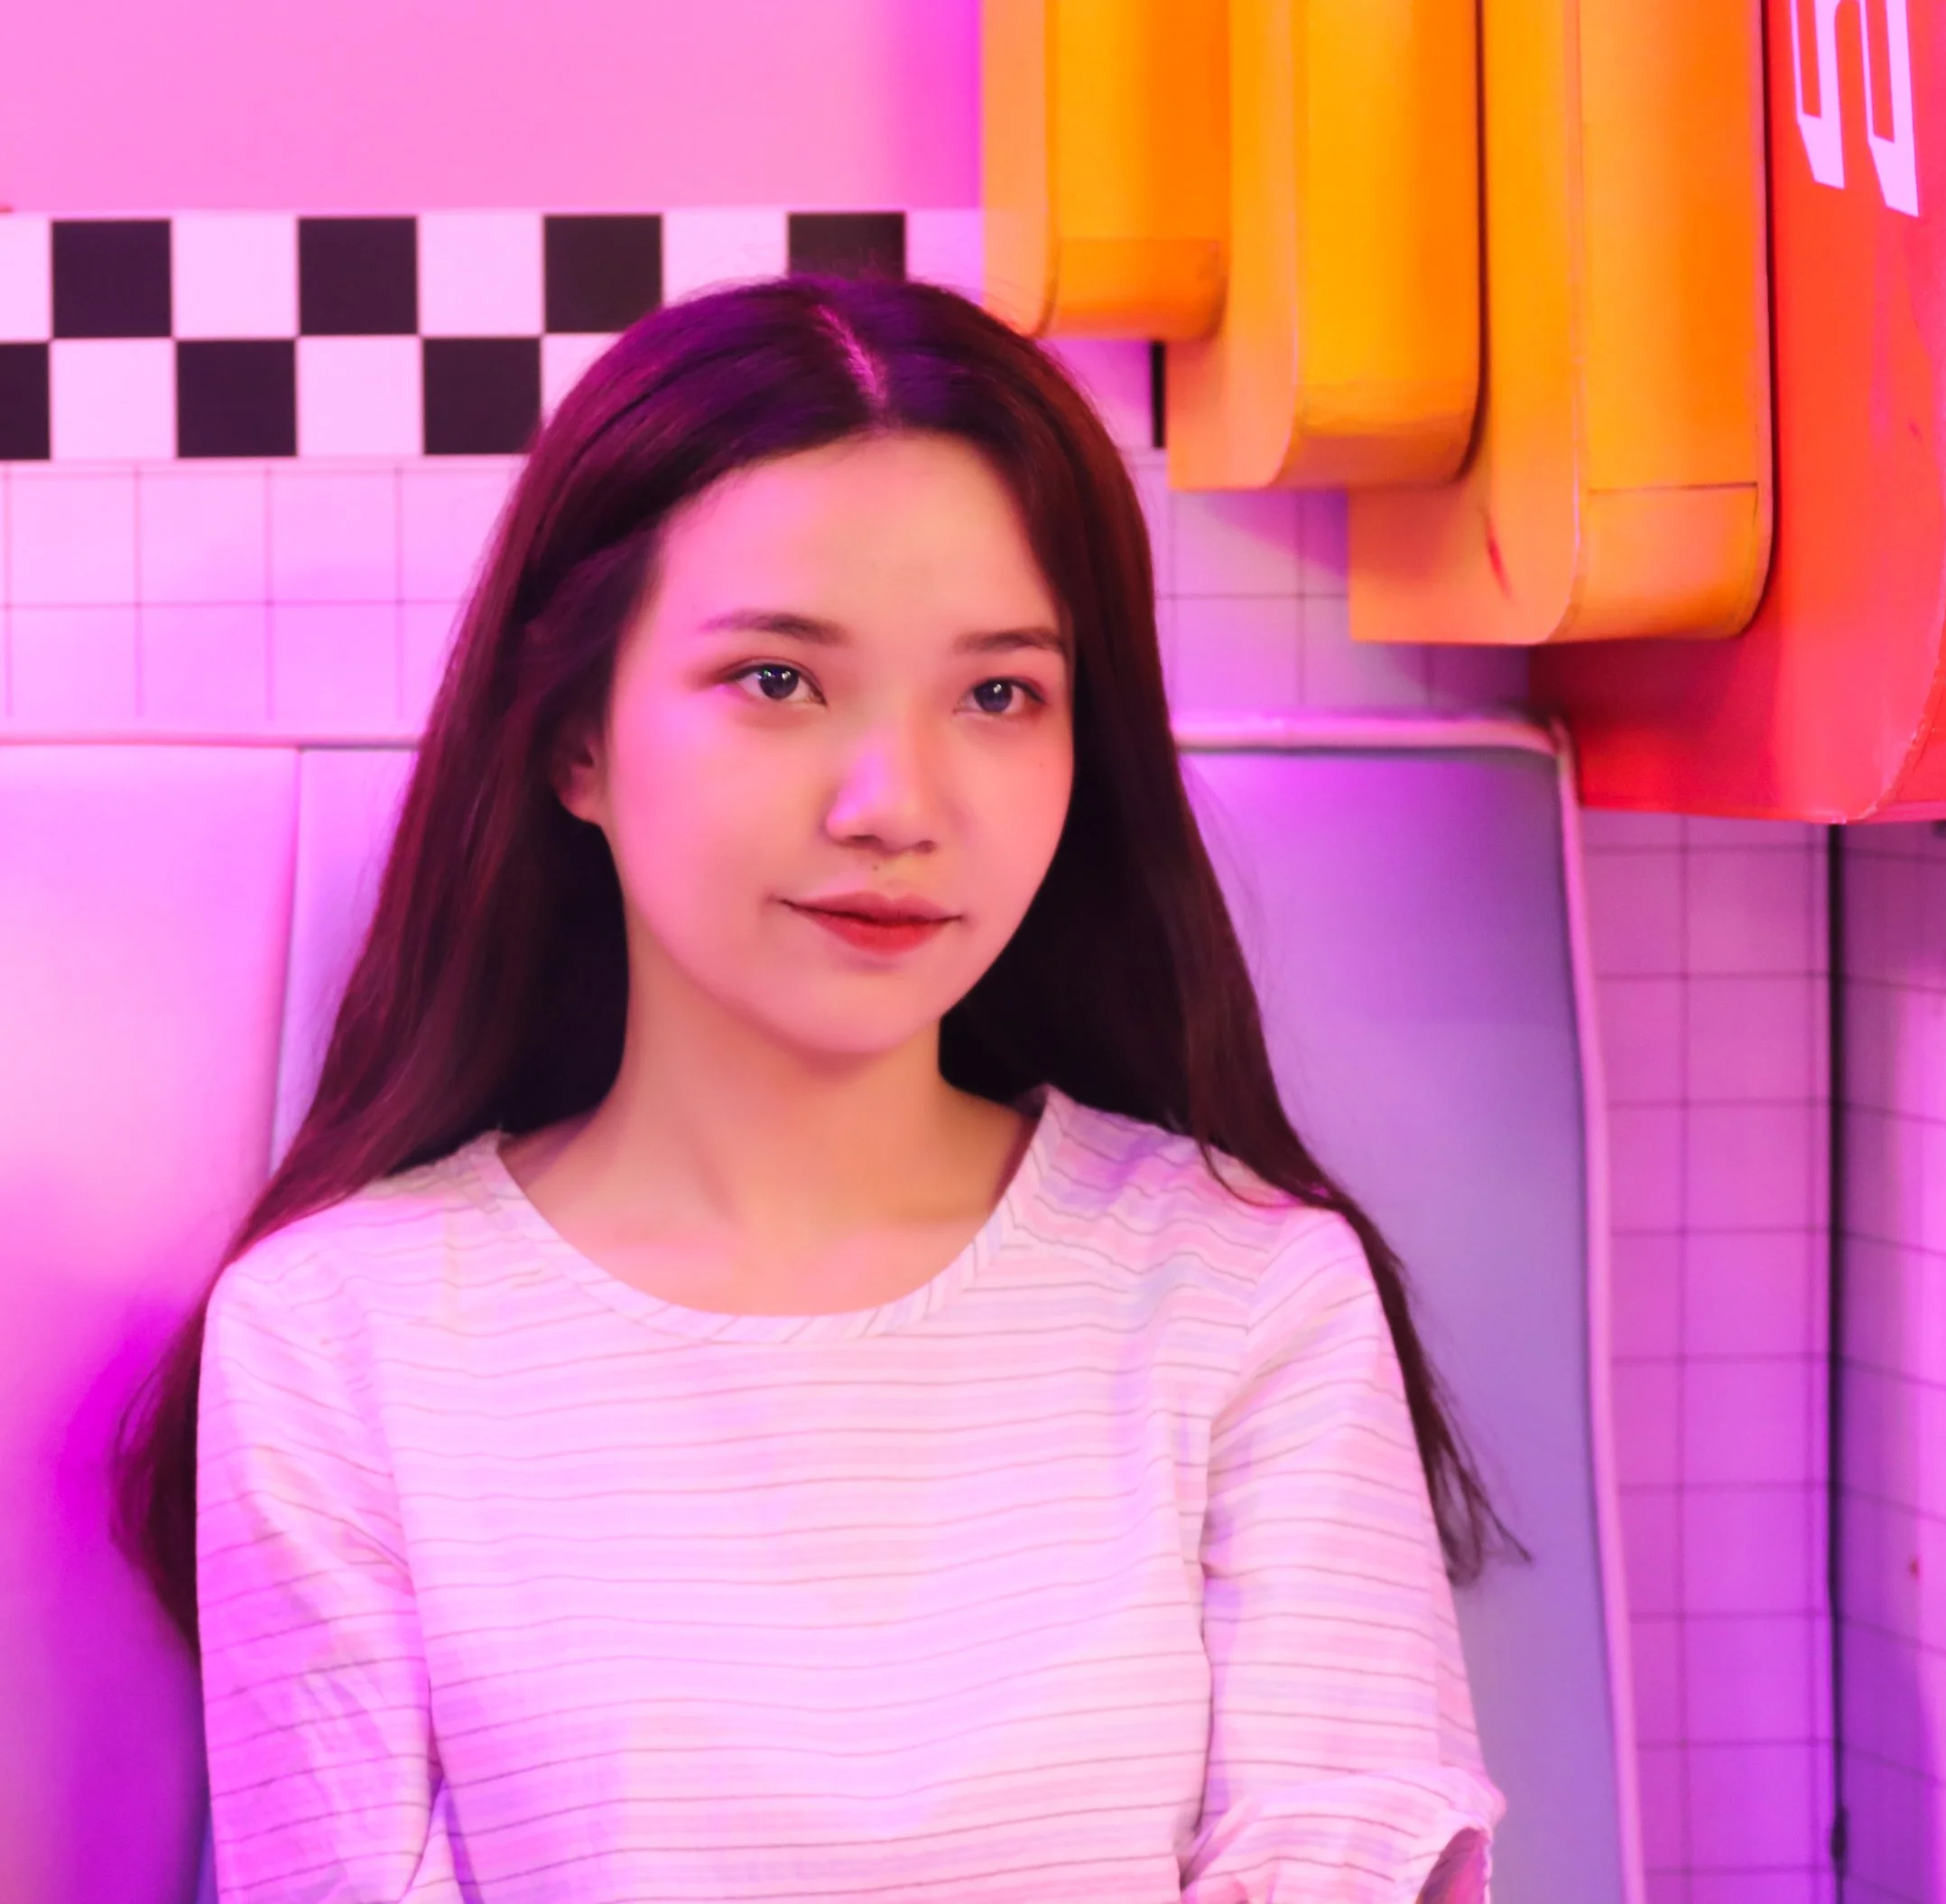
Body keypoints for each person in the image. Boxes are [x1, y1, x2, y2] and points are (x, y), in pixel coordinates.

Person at [113, 274, 1512, 1901]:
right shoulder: (338, 1340)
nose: (893, 802)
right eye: (778, 679)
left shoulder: (1242, 1289)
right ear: (574, 740)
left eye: (999, 694)